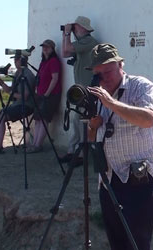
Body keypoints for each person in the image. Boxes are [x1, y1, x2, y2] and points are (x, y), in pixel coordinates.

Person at [87, 43, 153, 250]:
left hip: (139, 180)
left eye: (107, 72)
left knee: (137, 248)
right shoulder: (95, 93)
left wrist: (111, 103)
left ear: (121, 65)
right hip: (109, 180)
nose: (103, 79)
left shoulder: (140, 86)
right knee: (117, 246)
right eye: (98, 74)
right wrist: (92, 127)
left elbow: (148, 119)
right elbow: (91, 140)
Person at [60, 15, 98, 163]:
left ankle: (80, 154)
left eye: (75, 27)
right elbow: (64, 53)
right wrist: (66, 34)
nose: (73, 29)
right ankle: (73, 151)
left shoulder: (89, 41)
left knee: (82, 120)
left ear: (82, 28)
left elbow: (68, 48)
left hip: (87, 89)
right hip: (80, 89)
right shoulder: (82, 42)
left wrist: (67, 33)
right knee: (77, 119)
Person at [0, 54, 36, 154]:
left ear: (22, 60)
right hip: (17, 104)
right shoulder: (18, 73)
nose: (14, 62)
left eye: (16, 60)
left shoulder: (27, 74)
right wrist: (1, 83)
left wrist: (10, 92)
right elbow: (11, 90)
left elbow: (24, 96)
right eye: (14, 59)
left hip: (26, 105)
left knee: (1, 115)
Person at [26, 39, 62, 153]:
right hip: (41, 94)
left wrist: (47, 94)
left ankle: (38, 144)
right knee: (37, 119)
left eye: (47, 47)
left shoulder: (54, 61)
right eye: (43, 47)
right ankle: (34, 143)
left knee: (44, 119)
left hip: (50, 95)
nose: (45, 49)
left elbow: (55, 78)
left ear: (52, 49)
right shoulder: (44, 62)